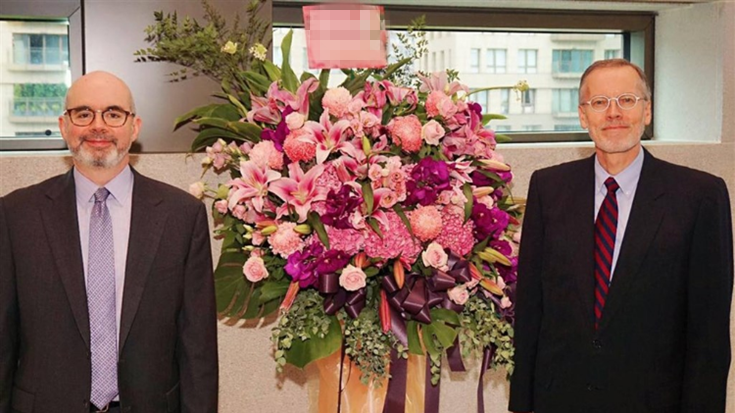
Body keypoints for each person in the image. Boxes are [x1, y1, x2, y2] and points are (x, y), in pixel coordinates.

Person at [509, 59, 733, 413]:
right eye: (599, 102)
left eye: (627, 100)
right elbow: (530, 308)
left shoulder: (700, 196)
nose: (614, 113)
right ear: (583, 116)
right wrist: (523, 403)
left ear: (647, 111)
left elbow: (710, 333)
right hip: (561, 398)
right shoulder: (548, 188)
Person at [0, 71, 218, 413]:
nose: (98, 126)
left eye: (114, 114)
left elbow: (198, 346)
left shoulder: (182, 216)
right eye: (83, 113)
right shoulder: (15, 215)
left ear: (135, 127)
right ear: (64, 126)